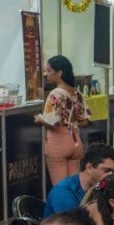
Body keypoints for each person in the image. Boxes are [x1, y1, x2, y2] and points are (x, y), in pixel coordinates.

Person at [37, 55, 90, 185]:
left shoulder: (55, 94)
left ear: (59, 72)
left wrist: (39, 119)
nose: (46, 74)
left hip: (58, 144)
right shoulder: (77, 93)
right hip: (75, 142)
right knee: (74, 187)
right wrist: (71, 123)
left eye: (49, 70)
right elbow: (85, 121)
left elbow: (52, 123)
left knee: (60, 189)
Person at [44, 144, 114, 217]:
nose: (111, 176)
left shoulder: (100, 188)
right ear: (89, 168)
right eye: (106, 170)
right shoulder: (63, 192)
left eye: (113, 172)